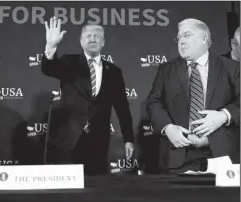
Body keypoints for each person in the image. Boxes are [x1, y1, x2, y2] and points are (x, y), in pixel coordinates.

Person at [41, 16, 134, 175]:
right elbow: (48, 69)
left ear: (103, 42)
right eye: (88, 36)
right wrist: (51, 45)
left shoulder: (114, 72)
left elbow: (122, 108)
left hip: (98, 140)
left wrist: (128, 139)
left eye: (97, 36)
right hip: (68, 139)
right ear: (81, 41)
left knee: (96, 190)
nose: (92, 39)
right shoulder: (68, 62)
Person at [146, 18, 240, 173]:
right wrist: (168, 128)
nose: (181, 41)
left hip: (222, 156)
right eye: (179, 38)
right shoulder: (167, 69)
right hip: (179, 156)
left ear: (204, 39)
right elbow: (153, 102)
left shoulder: (232, 68)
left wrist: (224, 115)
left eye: (187, 35)